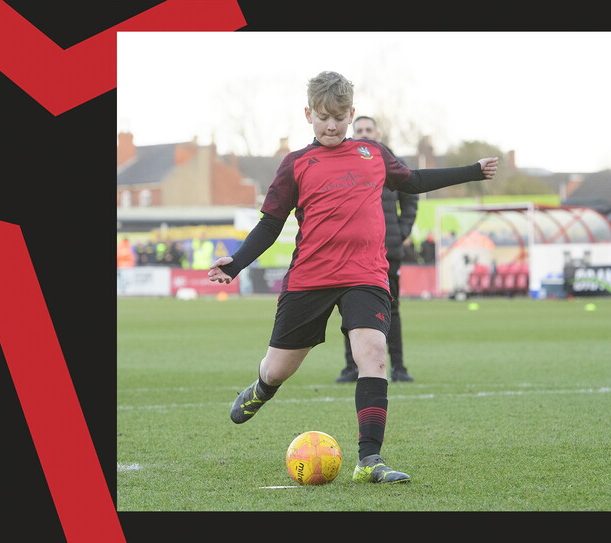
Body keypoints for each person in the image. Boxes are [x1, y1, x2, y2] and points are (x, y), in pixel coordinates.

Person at [207, 71, 498, 484]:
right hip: (311, 277)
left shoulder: (373, 154)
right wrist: (235, 264)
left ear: (352, 114)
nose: (331, 125)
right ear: (308, 114)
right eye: (324, 116)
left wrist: (471, 170)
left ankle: (369, 460)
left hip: (366, 275)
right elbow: (270, 224)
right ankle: (260, 388)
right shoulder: (296, 165)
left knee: (373, 354)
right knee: (278, 370)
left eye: (340, 117)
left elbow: (413, 181)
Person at [334, 115, 418, 384]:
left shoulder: (390, 161)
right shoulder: (341, 163)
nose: (365, 134)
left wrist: (400, 231)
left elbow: (411, 195)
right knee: (351, 310)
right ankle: (352, 367)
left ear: (377, 133)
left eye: (369, 130)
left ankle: (399, 367)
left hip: (387, 250)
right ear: (352, 133)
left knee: (392, 309)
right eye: (359, 130)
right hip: (352, 251)